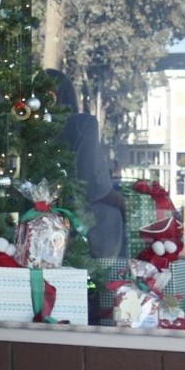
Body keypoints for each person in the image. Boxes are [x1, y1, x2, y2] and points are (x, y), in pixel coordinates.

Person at [45, 69, 126, 259]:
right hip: (76, 222)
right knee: (110, 214)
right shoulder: (82, 124)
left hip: (42, 218)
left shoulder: (27, 130)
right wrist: (123, 204)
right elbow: (93, 184)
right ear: (70, 95)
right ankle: (109, 280)